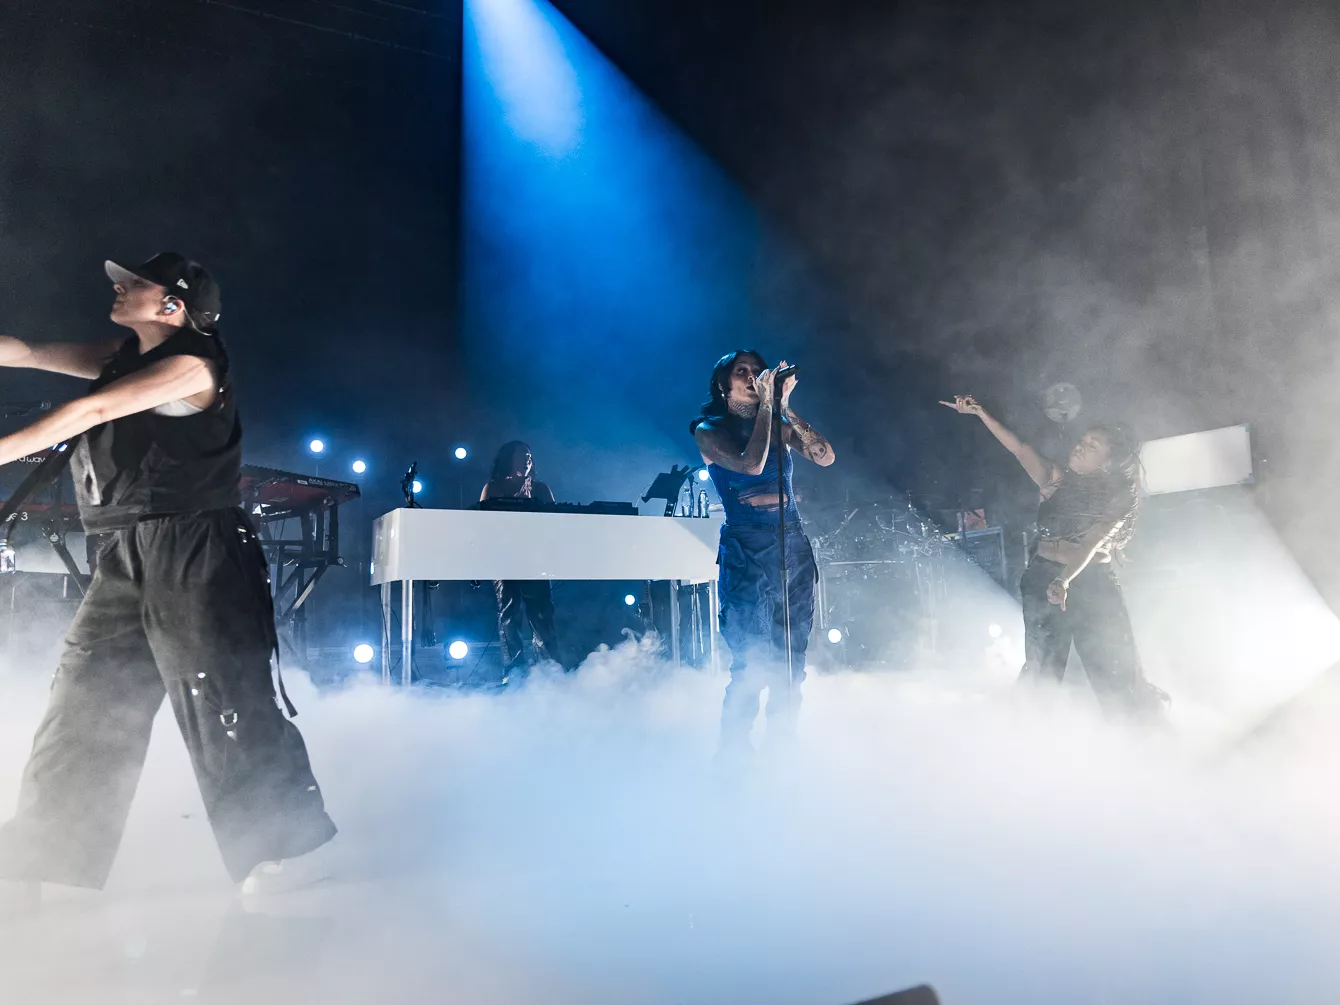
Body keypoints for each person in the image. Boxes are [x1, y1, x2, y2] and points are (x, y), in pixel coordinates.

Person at [0, 253, 336, 915]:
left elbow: (91, 411)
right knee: (88, 694)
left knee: (219, 692)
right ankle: (46, 855)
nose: (118, 287)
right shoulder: (121, 357)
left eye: (134, 283)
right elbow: (28, 351)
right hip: (124, 548)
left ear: (172, 305)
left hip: (195, 546)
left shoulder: (193, 365)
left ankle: (292, 847)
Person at [940, 394, 1166, 716]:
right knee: (1042, 666)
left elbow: (1090, 544)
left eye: (1092, 446)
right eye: (1082, 440)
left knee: (1112, 668)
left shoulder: (1120, 497)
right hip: (1043, 577)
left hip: (1091, 583)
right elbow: (1019, 448)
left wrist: (1064, 580)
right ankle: (1033, 731)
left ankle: (1136, 733)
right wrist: (980, 413)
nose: (1080, 446)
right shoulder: (1054, 479)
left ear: (1108, 461)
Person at [691, 351, 835, 756]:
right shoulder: (708, 430)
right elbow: (751, 465)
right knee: (751, 663)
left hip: (792, 544)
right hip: (746, 550)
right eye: (742, 372)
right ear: (723, 385)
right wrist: (769, 406)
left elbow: (825, 456)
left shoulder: (776, 422)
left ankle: (781, 751)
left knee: (791, 661)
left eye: (757, 371)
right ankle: (734, 756)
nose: (753, 377)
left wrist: (784, 407)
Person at [480, 440, 562, 676]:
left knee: (541, 614)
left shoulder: (540, 489)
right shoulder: (493, 488)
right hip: (504, 560)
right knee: (509, 613)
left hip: (535, 560)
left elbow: (556, 523)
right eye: (522, 456)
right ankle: (514, 673)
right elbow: (483, 525)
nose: (527, 461)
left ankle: (550, 670)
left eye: (529, 457)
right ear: (508, 459)